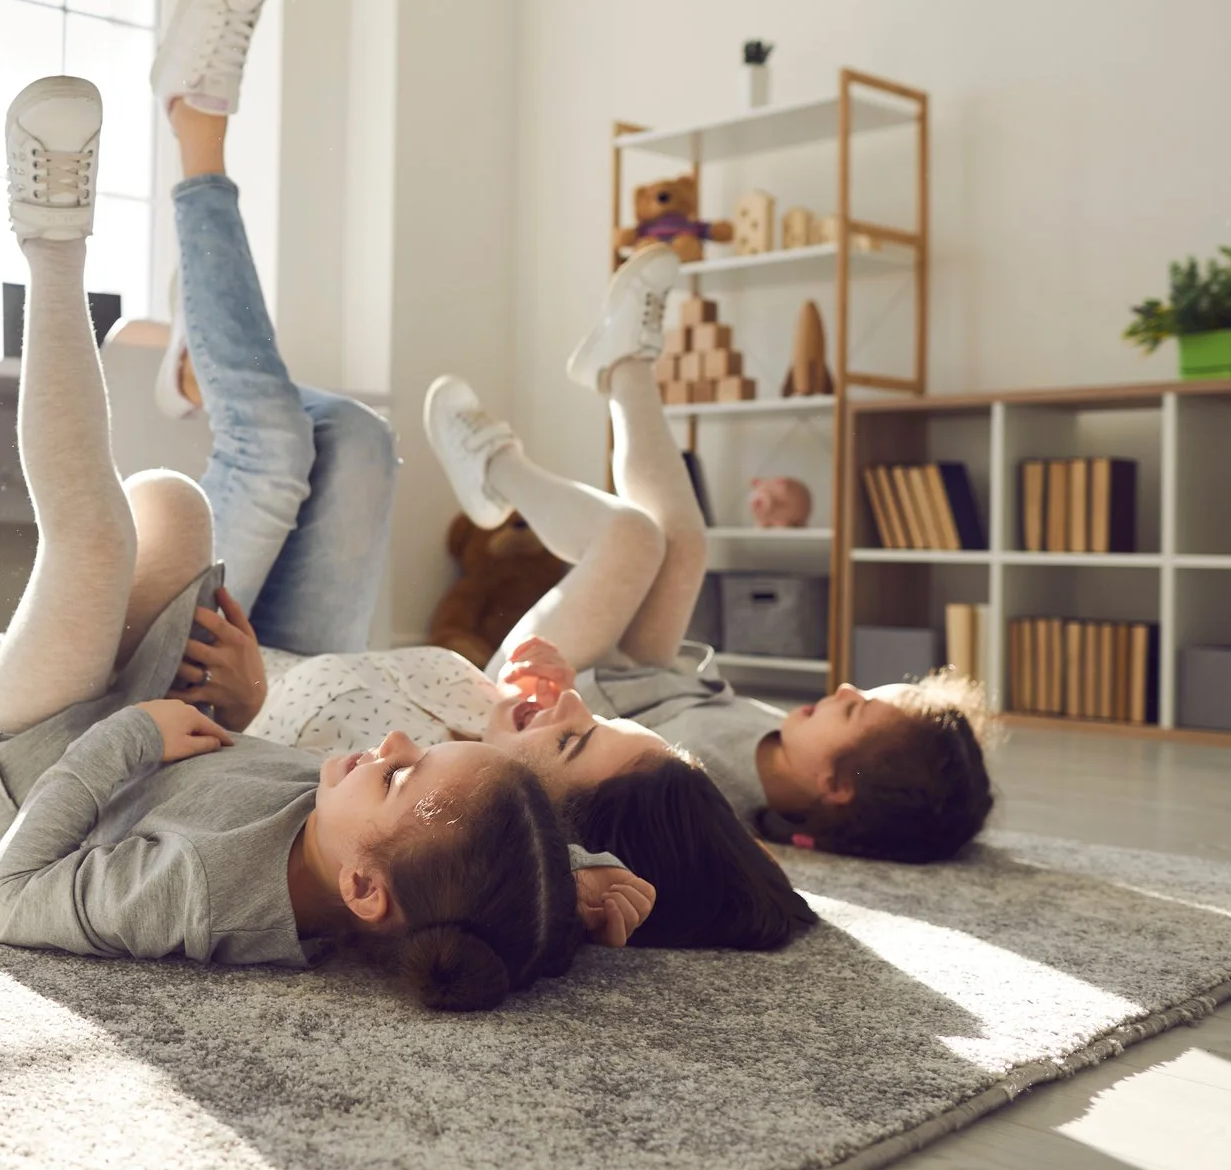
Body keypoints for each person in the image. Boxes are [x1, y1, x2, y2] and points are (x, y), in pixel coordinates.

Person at [0, 68, 582, 1012]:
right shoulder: (361, 834)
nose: (393, 741)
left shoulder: (201, 893)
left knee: (96, 538)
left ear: (364, 893)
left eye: (399, 770)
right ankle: (30, 646)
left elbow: (8, 902)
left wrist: (127, 739)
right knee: (174, 504)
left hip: (9, 804)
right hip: (115, 734)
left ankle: (51, 238)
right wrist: (556, 875)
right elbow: (446, 834)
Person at [419, 240, 997, 865]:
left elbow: (578, 811)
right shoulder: (792, 747)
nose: (846, 686)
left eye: (853, 709)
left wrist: (534, 715)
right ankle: (623, 365)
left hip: (549, 696)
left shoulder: (708, 799)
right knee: (686, 542)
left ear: (835, 785)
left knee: (632, 539)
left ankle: (496, 465)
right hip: (638, 675)